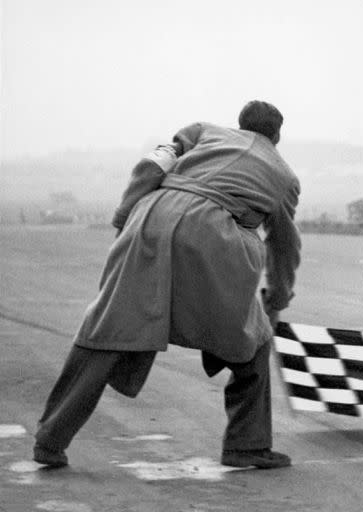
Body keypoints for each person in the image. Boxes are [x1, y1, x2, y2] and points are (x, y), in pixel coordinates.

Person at [33, 100, 301, 470]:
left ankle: (49, 440)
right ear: (277, 136)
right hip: (214, 240)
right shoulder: (284, 176)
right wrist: (278, 298)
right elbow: (284, 245)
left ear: (239, 124)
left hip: (151, 220)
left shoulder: (201, 132)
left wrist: (125, 219)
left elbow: (150, 166)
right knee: (253, 341)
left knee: (105, 331)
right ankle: (246, 446)